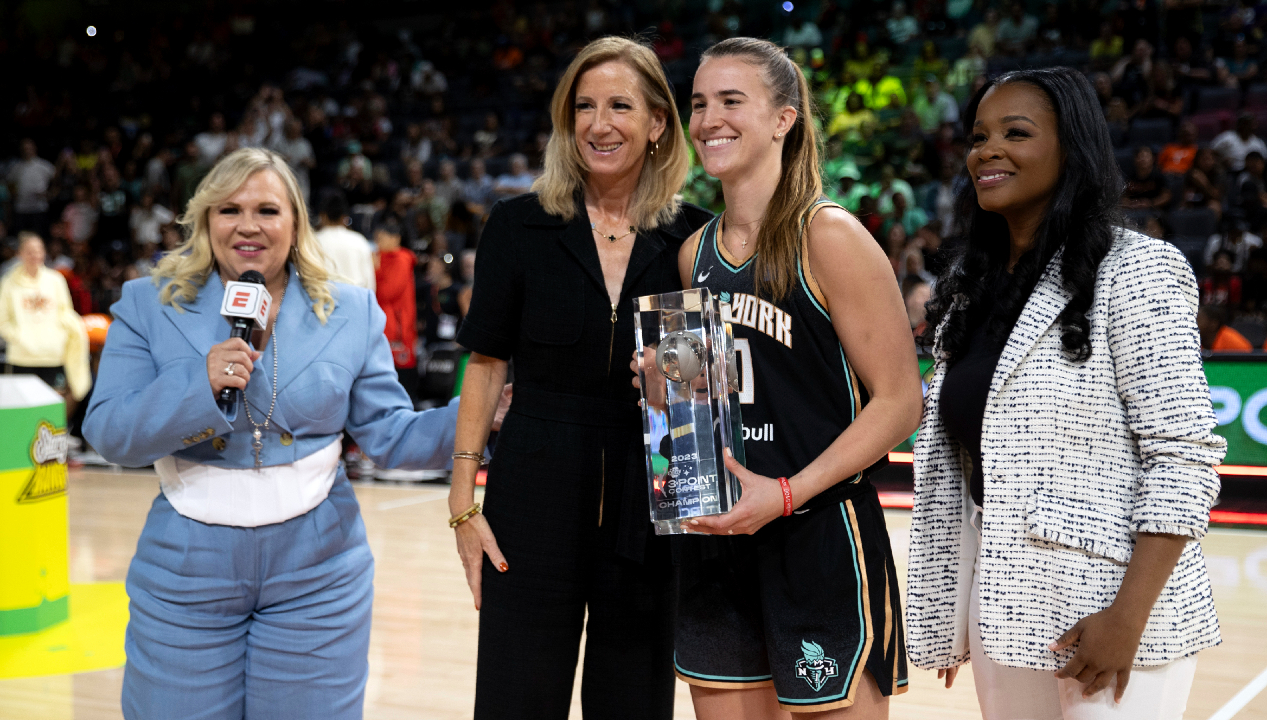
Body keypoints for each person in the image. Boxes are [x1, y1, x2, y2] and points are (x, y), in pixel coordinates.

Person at [82, 148, 467, 720]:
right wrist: (199, 385)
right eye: (228, 210)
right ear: (206, 220)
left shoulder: (352, 312)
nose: (248, 226)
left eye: (267, 209)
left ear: (295, 223)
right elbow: (109, 432)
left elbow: (389, 435)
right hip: (185, 569)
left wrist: (484, 414)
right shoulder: (148, 304)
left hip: (319, 570)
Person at [910, 68, 1225, 719]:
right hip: (1004, 612)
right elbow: (966, 470)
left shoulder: (1139, 269)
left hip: (1112, 613)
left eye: (1015, 133)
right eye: (978, 136)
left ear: (1070, 148)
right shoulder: (972, 291)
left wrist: (1126, 617)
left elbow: (1184, 458)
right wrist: (952, 608)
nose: (987, 150)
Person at [450, 36, 712, 720]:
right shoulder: (518, 225)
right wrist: (463, 506)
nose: (600, 123)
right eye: (584, 107)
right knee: (515, 700)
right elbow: (485, 364)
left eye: (620, 105)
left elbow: (690, 408)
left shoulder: (693, 238)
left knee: (632, 703)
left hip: (649, 504)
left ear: (657, 123)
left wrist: (675, 391)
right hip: (530, 493)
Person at [668, 37, 921, 718]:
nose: (708, 119)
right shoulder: (694, 253)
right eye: (698, 104)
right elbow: (706, 398)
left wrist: (784, 494)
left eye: (730, 101)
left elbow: (901, 401)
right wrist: (663, 383)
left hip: (816, 534)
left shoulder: (829, 236)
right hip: (720, 545)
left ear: (783, 118)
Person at [0, 232, 91, 401]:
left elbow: (66, 315)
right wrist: (20, 337)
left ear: (44, 253)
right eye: (29, 251)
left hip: (52, 355)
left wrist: (59, 338)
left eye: (38, 250)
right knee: (22, 407)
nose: (34, 255)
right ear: (20, 253)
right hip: (22, 357)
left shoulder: (56, 280)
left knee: (53, 406)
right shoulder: (8, 282)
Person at [373, 219, 419, 403]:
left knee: (400, 382)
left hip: (398, 329)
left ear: (395, 238)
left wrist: (375, 269)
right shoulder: (383, 257)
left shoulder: (401, 259)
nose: (378, 243)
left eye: (381, 238)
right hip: (387, 325)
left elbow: (386, 292)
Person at [314, 188, 376, 291]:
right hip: (356, 300)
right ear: (344, 217)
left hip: (324, 301)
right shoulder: (359, 241)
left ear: (322, 216)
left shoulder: (314, 241)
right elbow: (369, 283)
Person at [7, 139, 55, 235]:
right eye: (25, 148)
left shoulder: (44, 165)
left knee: (38, 236)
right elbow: (9, 183)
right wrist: (13, 194)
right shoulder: (16, 167)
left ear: (34, 148)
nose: (27, 150)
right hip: (21, 208)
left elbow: (56, 182)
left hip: (39, 208)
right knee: (22, 237)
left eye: (29, 148)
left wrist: (50, 195)